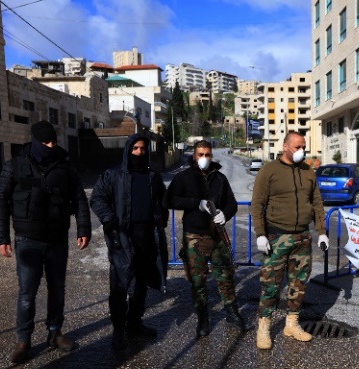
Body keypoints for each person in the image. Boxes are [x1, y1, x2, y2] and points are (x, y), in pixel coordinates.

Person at [0, 120, 91, 364]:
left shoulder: (65, 167)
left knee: (57, 290)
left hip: (57, 239)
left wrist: (84, 228)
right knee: (27, 294)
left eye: (53, 141)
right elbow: (1, 203)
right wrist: (1, 238)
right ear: (35, 141)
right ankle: (23, 341)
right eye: (45, 142)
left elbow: (79, 198)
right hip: (28, 241)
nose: (51, 145)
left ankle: (55, 333)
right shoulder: (15, 166)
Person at [250, 132, 329, 350]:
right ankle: (264, 327)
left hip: (302, 237)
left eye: (304, 146)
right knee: (270, 285)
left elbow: (316, 203)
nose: (301, 151)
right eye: (297, 147)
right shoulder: (269, 171)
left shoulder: (308, 171)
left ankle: (291, 324)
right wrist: (260, 234)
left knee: (298, 284)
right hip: (276, 236)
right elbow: (257, 204)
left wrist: (321, 231)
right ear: (285, 147)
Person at [90, 134, 169, 350]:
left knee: (141, 284)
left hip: (147, 238)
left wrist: (161, 219)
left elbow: (162, 202)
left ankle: (135, 323)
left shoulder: (153, 176)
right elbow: (97, 198)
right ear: (128, 150)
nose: (140, 153)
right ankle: (118, 329)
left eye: (143, 149)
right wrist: (110, 220)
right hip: (122, 238)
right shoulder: (114, 174)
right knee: (119, 285)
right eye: (135, 149)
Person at [163, 140, 246, 338]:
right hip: (194, 236)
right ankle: (203, 317)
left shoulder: (220, 179)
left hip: (216, 235)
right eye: (200, 154)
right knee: (197, 280)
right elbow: (169, 200)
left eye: (207, 154)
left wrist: (225, 214)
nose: (204, 158)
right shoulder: (183, 177)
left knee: (225, 275)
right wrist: (195, 204)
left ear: (212, 156)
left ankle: (231, 312)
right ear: (194, 156)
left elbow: (232, 204)